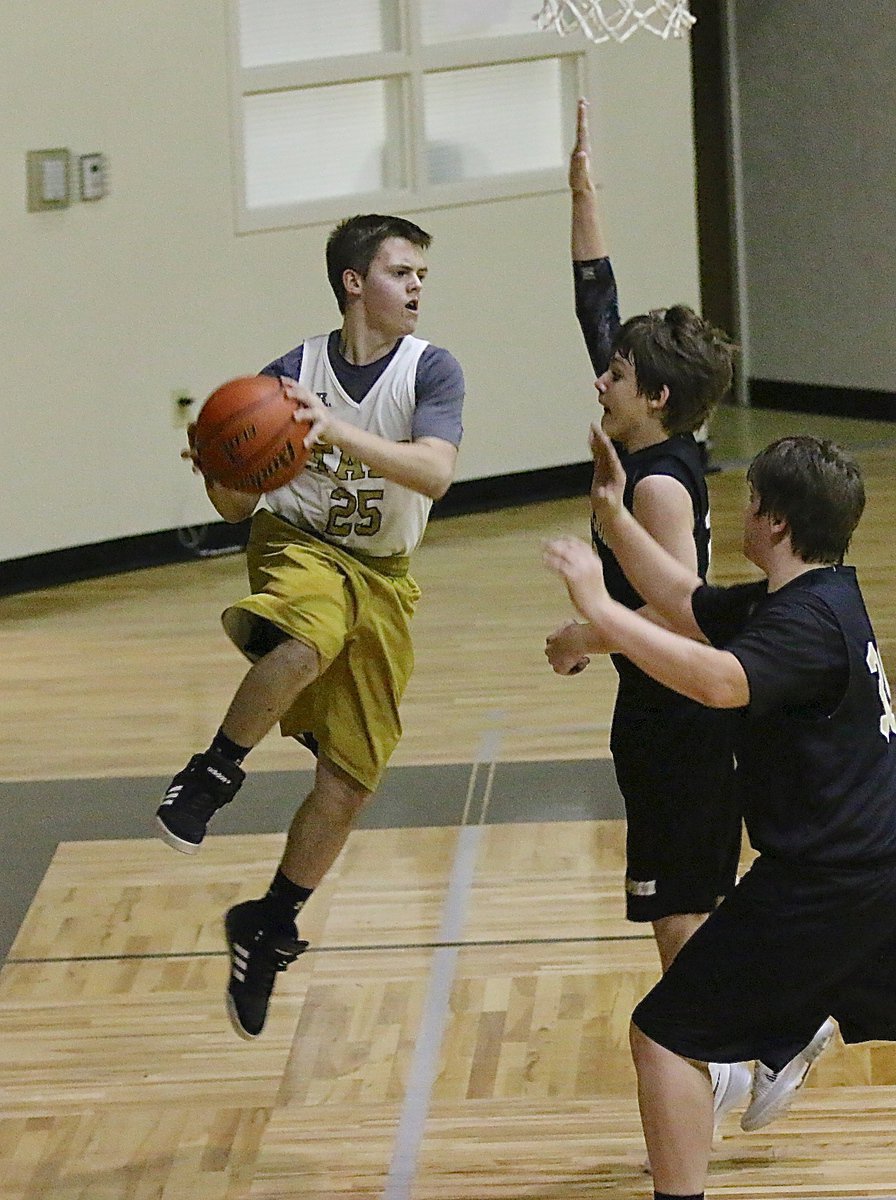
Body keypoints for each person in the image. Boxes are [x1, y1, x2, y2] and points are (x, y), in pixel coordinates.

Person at [544, 428, 896, 1200]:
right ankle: (802, 1024)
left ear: (772, 521)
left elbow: (716, 682)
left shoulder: (804, 625)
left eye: (750, 499)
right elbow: (682, 600)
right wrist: (613, 516)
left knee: (664, 1037)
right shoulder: (814, 595)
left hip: (825, 885)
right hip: (866, 871)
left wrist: (599, 605)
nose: (740, 509)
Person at [156, 213, 464, 1040]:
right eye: (402, 272)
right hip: (299, 546)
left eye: (422, 274)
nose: (418, 286)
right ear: (354, 283)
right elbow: (236, 504)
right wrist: (221, 463)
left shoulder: (431, 369)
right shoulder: (291, 373)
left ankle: (270, 922)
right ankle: (213, 772)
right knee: (306, 634)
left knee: (353, 778)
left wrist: (337, 432)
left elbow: (435, 472)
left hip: (386, 577)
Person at [545, 99, 751, 1128]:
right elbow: (599, 305)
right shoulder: (647, 435)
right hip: (657, 711)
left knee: (679, 905)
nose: (600, 376)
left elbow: (681, 618)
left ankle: (733, 1054)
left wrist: (587, 627)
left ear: (656, 400)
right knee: (681, 900)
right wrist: (582, 191)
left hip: (678, 715)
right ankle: (729, 1048)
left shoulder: (660, 487)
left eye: (617, 375)